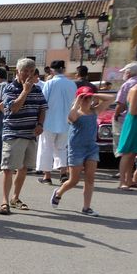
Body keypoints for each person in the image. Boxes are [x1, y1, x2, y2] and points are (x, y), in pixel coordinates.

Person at [50, 88, 115, 216]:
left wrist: (94, 94)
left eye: (88, 98)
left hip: (91, 148)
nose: (86, 100)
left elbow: (111, 99)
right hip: (76, 149)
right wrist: (77, 102)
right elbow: (71, 117)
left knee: (90, 178)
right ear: (79, 99)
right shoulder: (76, 112)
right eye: (84, 98)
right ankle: (58, 193)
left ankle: (86, 207)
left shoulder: (95, 111)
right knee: (74, 181)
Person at [0, 57, 47, 215]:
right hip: (13, 133)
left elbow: (42, 108)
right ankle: (4, 201)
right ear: (17, 72)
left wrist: (40, 124)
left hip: (30, 134)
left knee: (24, 168)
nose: (28, 74)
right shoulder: (10, 88)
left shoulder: (37, 89)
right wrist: (25, 91)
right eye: (25, 71)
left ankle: (15, 197)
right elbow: (14, 108)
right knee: (8, 168)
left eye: (31, 71)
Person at [36, 60, 77, 185]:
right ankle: (63, 173)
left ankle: (47, 176)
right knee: (62, 148)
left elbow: (43, 103)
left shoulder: (49, 83)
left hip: (49, 121)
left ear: (52, 70)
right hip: (66, 122)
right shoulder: (72, 84)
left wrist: (38, 120)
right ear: (63, 69)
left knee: (46, 148)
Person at [113, 62, 137, 185]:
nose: (124, 74)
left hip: (130, 121)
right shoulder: (136, 86)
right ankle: (125, 180)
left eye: (124, 72)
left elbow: (120, 104)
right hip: (133, 121)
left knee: (129, 152)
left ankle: (126, 180)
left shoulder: (128, 84)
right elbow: (132, 109)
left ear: (128, 73)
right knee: (130, 152)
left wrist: (116, 115)